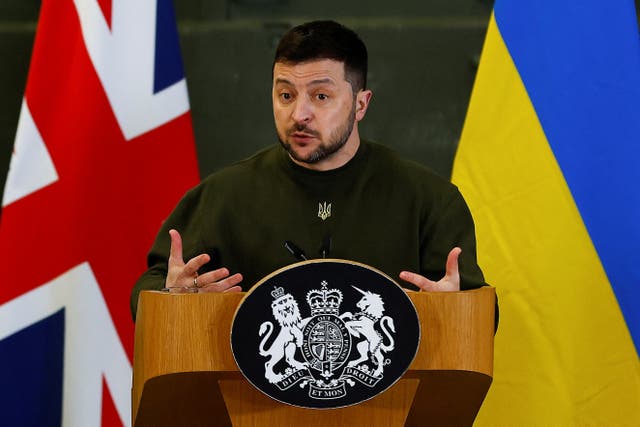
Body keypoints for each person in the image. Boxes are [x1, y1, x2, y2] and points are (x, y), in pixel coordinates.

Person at [130, 20, 490, 319]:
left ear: (360, 104)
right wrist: (170, 296)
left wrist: (457, 311)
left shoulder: (428, 200)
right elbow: (150, 291)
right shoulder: (223, 197)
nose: (299, 114)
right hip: (247, 402)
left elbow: (477, 312)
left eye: (320, 96)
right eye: (286, 95)